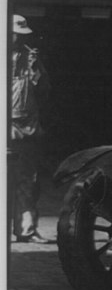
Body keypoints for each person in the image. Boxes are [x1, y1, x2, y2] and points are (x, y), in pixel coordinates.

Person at [8, 14, 52, 243]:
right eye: (14, 33)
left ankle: (26, 229)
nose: (17, 39)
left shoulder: (31, 58)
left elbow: (44, 92)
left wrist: (35, 70)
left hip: (28, 128)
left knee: (28, 180)